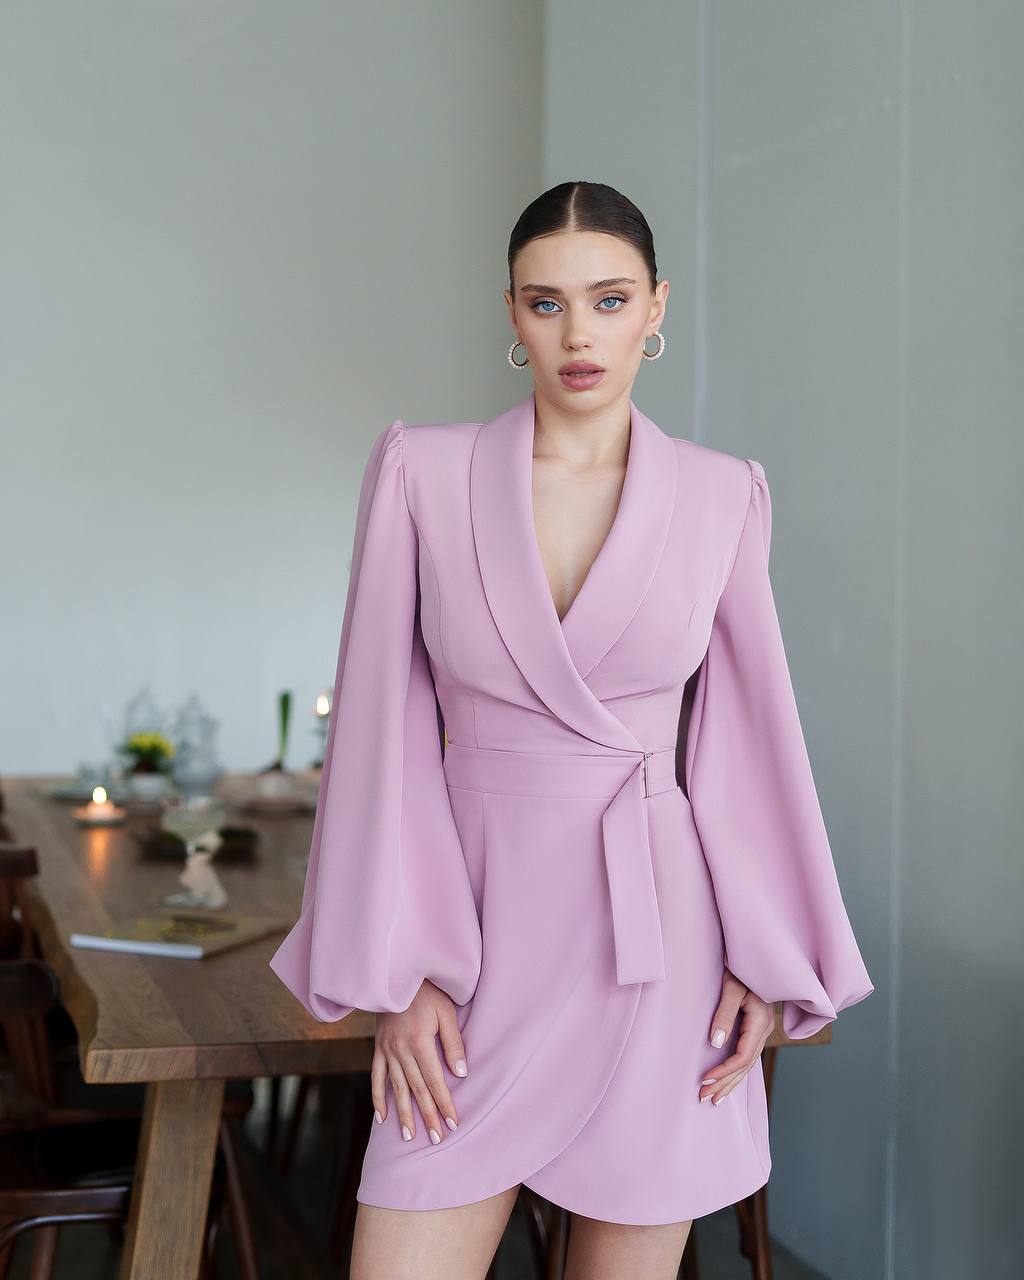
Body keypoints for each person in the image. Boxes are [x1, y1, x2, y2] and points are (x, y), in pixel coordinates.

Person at [269, 180, 874, 1280]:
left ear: (656, 306)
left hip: (662, 952)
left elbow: (748, 742)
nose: (578, 333)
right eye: (546, 303)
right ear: (511, 313)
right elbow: (379, 741)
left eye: (609, 299)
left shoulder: (723, 496)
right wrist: (403, 969)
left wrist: (762, 946)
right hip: (474, 951)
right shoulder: (422, 472)